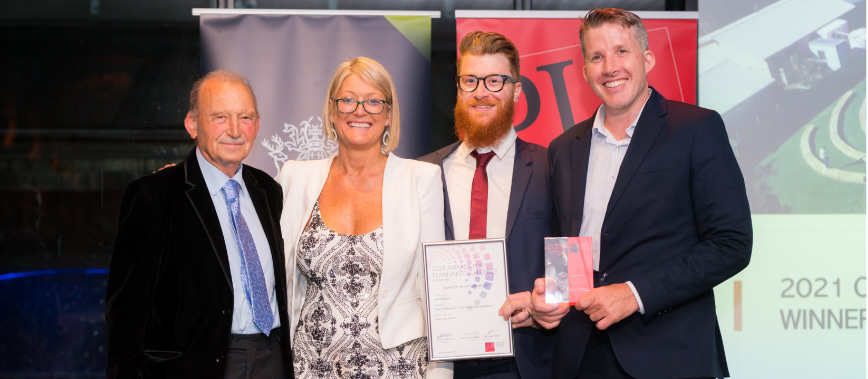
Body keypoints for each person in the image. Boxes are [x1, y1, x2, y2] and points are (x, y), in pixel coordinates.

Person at [531, 8, 753, 379]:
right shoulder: (564, 147)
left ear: (647, 58)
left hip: (667, 354)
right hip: (579, 355)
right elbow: (570, 241)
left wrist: (634, 294)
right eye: (597, 57)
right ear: (585, 69)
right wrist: (551, 296)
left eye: (622, 51)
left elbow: (732, 243)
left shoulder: (696, 129)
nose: (609, 67)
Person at [105, 70, 292, 378]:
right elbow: (126, 313)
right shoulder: (155, 196)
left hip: (271, 359)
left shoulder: (268, 190)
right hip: (194, 366)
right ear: (192, 124)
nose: (234, 130)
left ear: (257, 125)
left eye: (245, 117)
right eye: (220, 117)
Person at [276, 57, 451, 378]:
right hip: (310, 368)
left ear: (388, 114)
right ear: (331, 111)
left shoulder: (421, 179)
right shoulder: (294, 178)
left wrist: (441, 372)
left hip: (398, 368)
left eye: (373, 101)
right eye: (348, 100)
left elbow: (436, 288)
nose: (360, 110)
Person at [420, 31, 554, 379]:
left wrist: (549, 303)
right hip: (441, 363)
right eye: (471, 81)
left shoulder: (552, 166)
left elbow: (575, 251)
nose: (481, 92)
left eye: (495, 80)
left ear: (517, 90)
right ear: (459, 88)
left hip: (526, 360)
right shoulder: (424, 173)